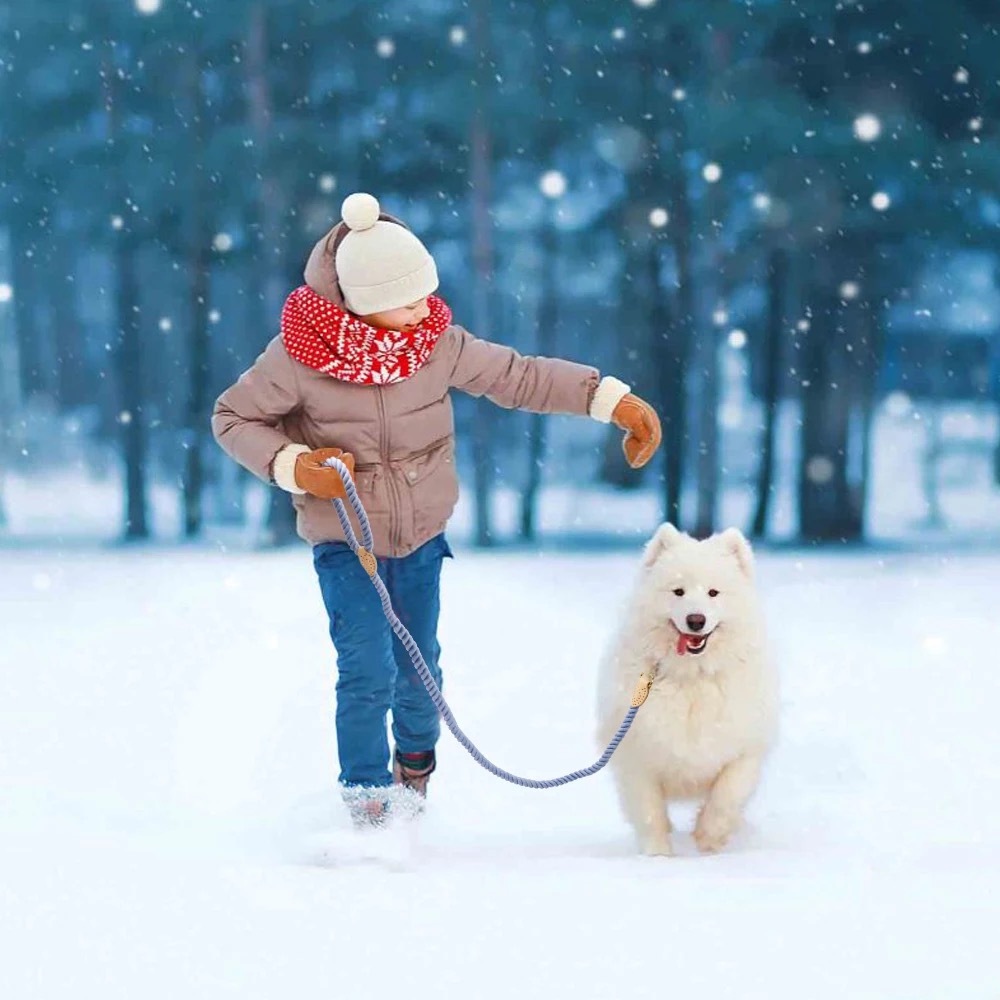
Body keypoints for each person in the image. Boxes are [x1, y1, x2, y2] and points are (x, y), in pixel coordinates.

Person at [211, 192, 662, 826]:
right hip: (345, 539)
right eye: (407, 298)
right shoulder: (297, 357)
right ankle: (366, 798)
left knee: (419, 669)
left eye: (427, 293)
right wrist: (293, 465)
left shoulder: (435, 343)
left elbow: (520, 376)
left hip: (421, 536)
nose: (425, 308)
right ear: (361, 302)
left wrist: (611, 401)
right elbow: (232, 418)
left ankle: (414, 768)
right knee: (365, 666)